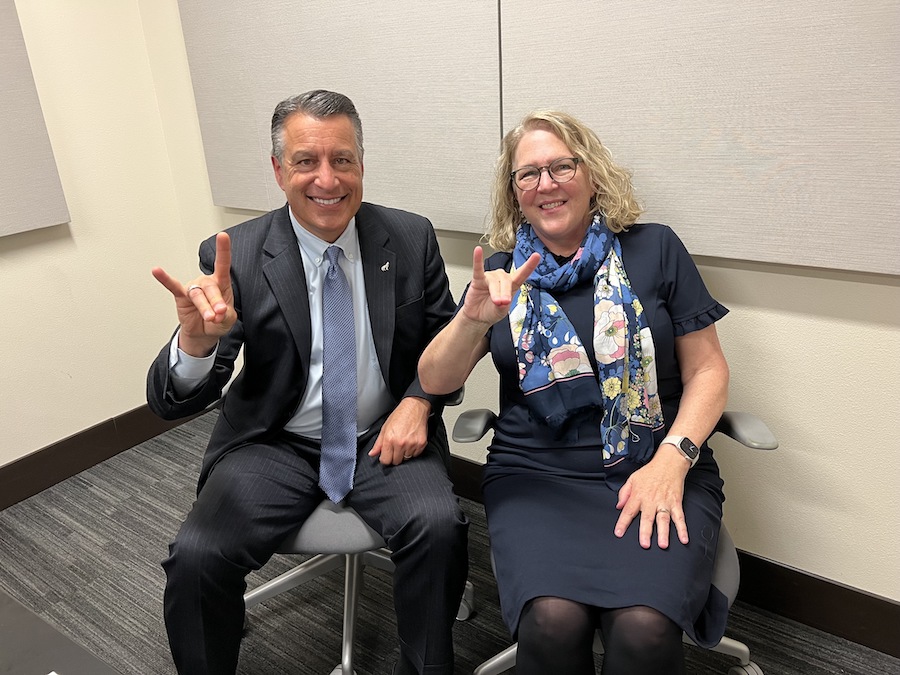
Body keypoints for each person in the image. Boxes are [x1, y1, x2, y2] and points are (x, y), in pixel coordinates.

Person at [147, 90, 468, 675]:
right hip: (276, 440)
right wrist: (197, 344)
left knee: (439, 528)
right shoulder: (238, 256)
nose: (327, 179)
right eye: (305, 161)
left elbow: (447, 342)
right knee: (196, 557)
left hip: (383, 434)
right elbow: (177, 400)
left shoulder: (411, 236)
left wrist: (420, 402)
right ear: (277, 170)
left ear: (361, 165)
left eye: (342, 159)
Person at [418, 110, 730, 674]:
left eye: (562, 166)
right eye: (528, 174)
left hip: (654, 463)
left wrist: (673, 459)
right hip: (537, 473)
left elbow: (708, 370)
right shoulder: (502, 272)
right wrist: (472, 320)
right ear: (514, 194)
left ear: (591, 175)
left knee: (643, 627)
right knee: (552, 622)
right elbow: (437, 381)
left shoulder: (654, 249)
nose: (546, 183)